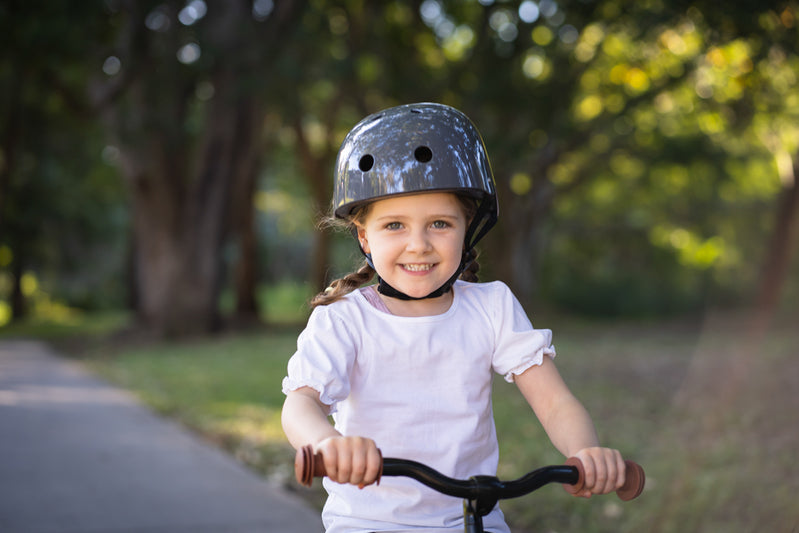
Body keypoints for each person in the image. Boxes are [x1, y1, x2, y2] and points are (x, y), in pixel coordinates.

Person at [281, 103, 626, 532]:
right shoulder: (345, 321)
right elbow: (301, 403)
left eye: (440, 223)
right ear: (364, 237)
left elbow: (554, 401)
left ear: (468, 227)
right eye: (394, 226)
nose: (419, 244)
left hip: (473, 518)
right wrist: (329, 445)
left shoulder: (491, 307)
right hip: (369, 521)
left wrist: (586, 451)